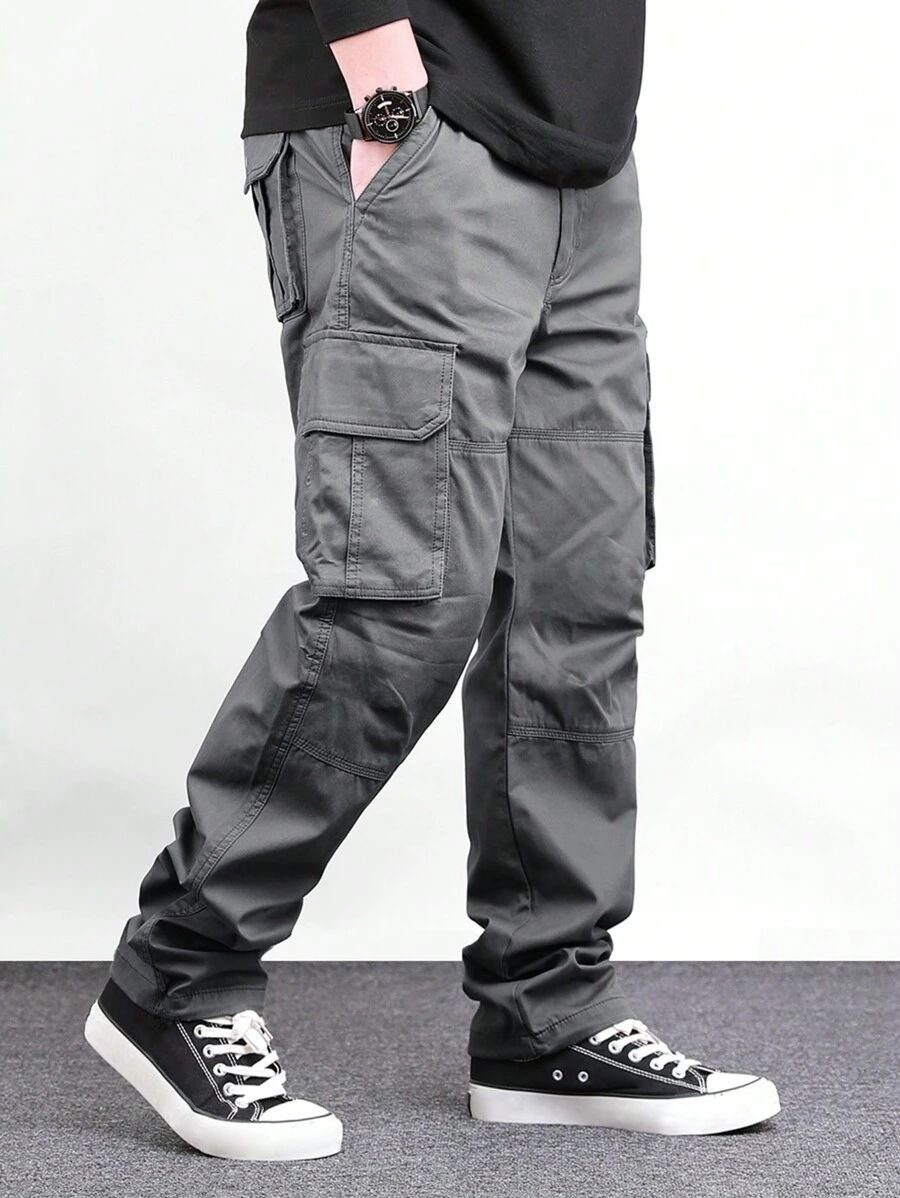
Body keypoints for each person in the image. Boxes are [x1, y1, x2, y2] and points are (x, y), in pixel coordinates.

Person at [84, 1, 780, 1160]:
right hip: (417, 120)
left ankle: (548, 1011)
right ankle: (178, 971)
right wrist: (388, 97)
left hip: (583, 154)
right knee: (399, 596)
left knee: (577, 597)